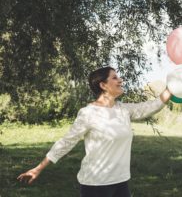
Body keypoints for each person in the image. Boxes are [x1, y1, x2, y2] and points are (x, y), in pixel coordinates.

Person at [17, 66, 171, 197]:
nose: (120, 80)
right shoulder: (88, 113)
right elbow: (66, 142)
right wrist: (38, 168)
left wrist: (173, 88)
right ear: (103, 85)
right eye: (115, 78)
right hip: (96, 184)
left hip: (121, 181)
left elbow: (150, 106)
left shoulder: (123, 110)